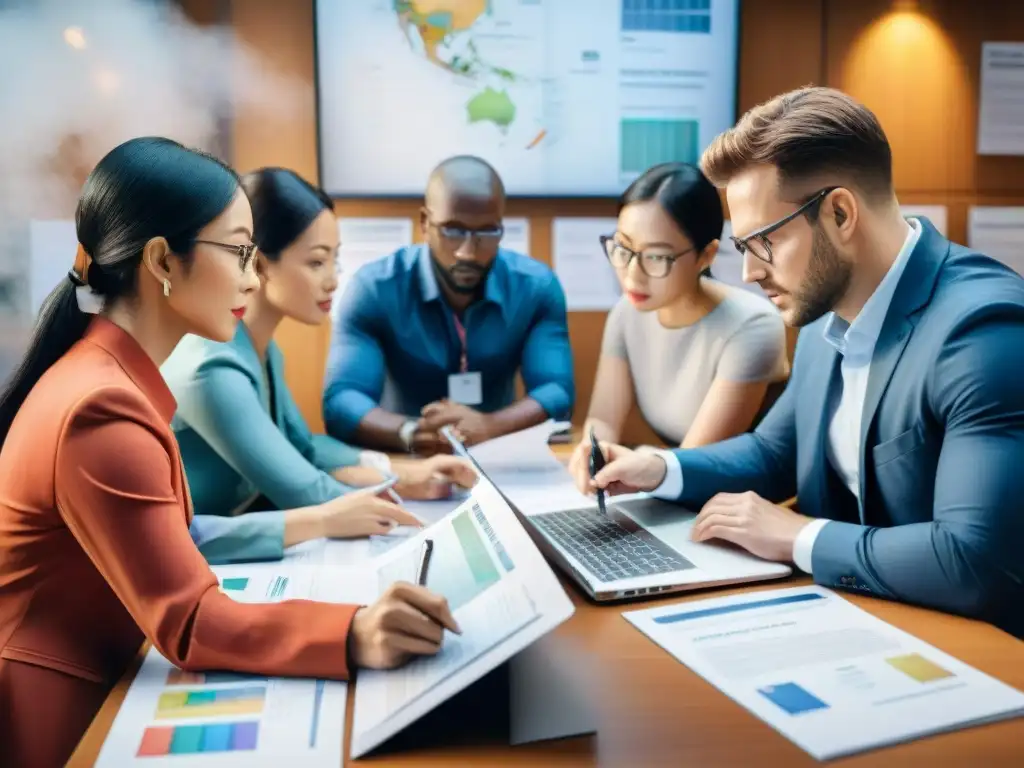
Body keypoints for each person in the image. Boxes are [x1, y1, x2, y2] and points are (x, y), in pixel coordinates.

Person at [0, 138, 459, 767]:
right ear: (162, 262)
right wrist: (352, 631)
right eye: (240, 252)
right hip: (66, 716)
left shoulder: (106, 379)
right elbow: (187, 621)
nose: (251, 276)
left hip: (109, 677)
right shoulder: (100, 407)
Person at [570, 87, 1024, 637]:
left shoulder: (983, 330)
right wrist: (658, 469)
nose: (749, 275)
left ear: (839, 213)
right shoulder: (822, 311)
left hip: (971, 648)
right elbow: (775, 451)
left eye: (763, 242)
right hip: (856, 617)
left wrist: (796, 536)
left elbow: (974, 560)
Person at [161, 167, 477, 564]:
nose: (333, 280)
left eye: (335, 260)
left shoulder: (263, 350)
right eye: (316, 263)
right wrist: (407, 505)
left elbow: (305, 447)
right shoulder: (212, 366)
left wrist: (401, 472)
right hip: (193, 564)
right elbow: (304, 491)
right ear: (259, 264)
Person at [323, 155, 574, 455]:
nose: (468, 252)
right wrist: (410, 431)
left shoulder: (535, 287)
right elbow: (341, 400)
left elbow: (557, 392)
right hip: (406, 458)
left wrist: (490, 425)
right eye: (453, 230)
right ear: (425, 223)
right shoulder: (375, 288)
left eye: (487, 231)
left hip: (497, 455)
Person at [570, 162, 786, 465]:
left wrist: (644, 461)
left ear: (706, 256)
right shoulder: (627, 313)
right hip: (672, 485)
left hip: (740, 498)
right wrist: (592, 452)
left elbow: (698, 463)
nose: (633, 275)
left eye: (657, 257)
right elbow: (603, 421)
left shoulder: (752, 325)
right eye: (623, 248)